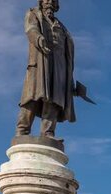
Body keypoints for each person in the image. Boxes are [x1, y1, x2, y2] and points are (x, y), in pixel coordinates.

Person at [16, 0, 76, 138]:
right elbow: (31, 29)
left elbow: (68, 53)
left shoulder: (62, 27)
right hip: (40, 61)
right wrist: (38, 38)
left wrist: (70, 82)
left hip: (59, 65)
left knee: (54, 100)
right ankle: (22, 130)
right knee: (32, 97)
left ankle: (48, 133)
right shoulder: (34, 14)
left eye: (53, 0)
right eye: (47, 0)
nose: (50, 2)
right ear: (41, 2)